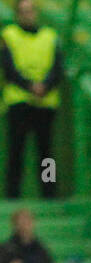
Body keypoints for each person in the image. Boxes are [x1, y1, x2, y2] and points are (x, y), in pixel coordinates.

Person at [1, 0, 62, 199]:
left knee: (47, 155)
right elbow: (9, 69)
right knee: (16, 151)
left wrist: (45, 86)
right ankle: (13, 195)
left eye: (30, 11)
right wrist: (30, 87)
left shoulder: (50, 36)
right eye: (23, 11)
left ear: (36, 13)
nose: (28, 15)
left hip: (46, 103)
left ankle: (49, 194)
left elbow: (58, 68)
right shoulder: (8, 35)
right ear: (17, 14)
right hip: (19, 102)